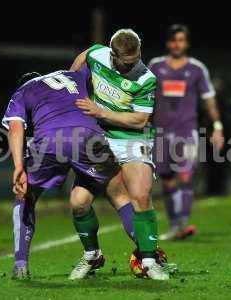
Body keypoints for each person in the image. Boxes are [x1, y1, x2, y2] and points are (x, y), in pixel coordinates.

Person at [3, 67, 138, 280]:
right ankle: (148, 256)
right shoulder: (72, 75)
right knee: (109, 196)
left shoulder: (23, 90)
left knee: (25, 195)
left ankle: (21, 264)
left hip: (49, 141)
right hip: (89, 136)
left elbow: (15, 128)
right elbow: (97, 68)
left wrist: (19, 166)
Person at [70, 29, 169, 280]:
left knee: (140, 195)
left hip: (131, 139)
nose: (133, 64)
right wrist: (73, 89)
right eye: (127, 62)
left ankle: (149, 261)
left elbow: (140, 120)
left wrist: (100, 112)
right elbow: (82, 60)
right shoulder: (97, 54)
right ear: (113, 55)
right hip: (98, 140)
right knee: (78, 202)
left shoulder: (146, 78)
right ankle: (92, 255)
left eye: (136, 59)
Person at [149, 24, 224, 240]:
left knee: (185, 174)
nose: (177, 44)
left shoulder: (197, 69)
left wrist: (217, 127)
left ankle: (183, 223)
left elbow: (209, 100)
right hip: (161, 132)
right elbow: (145, 94)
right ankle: (175, 225)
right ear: (167, 43)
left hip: (186, 131)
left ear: (186, 43)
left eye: (181, 40)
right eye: (173, 40)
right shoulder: (156, 66)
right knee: (167, 180)